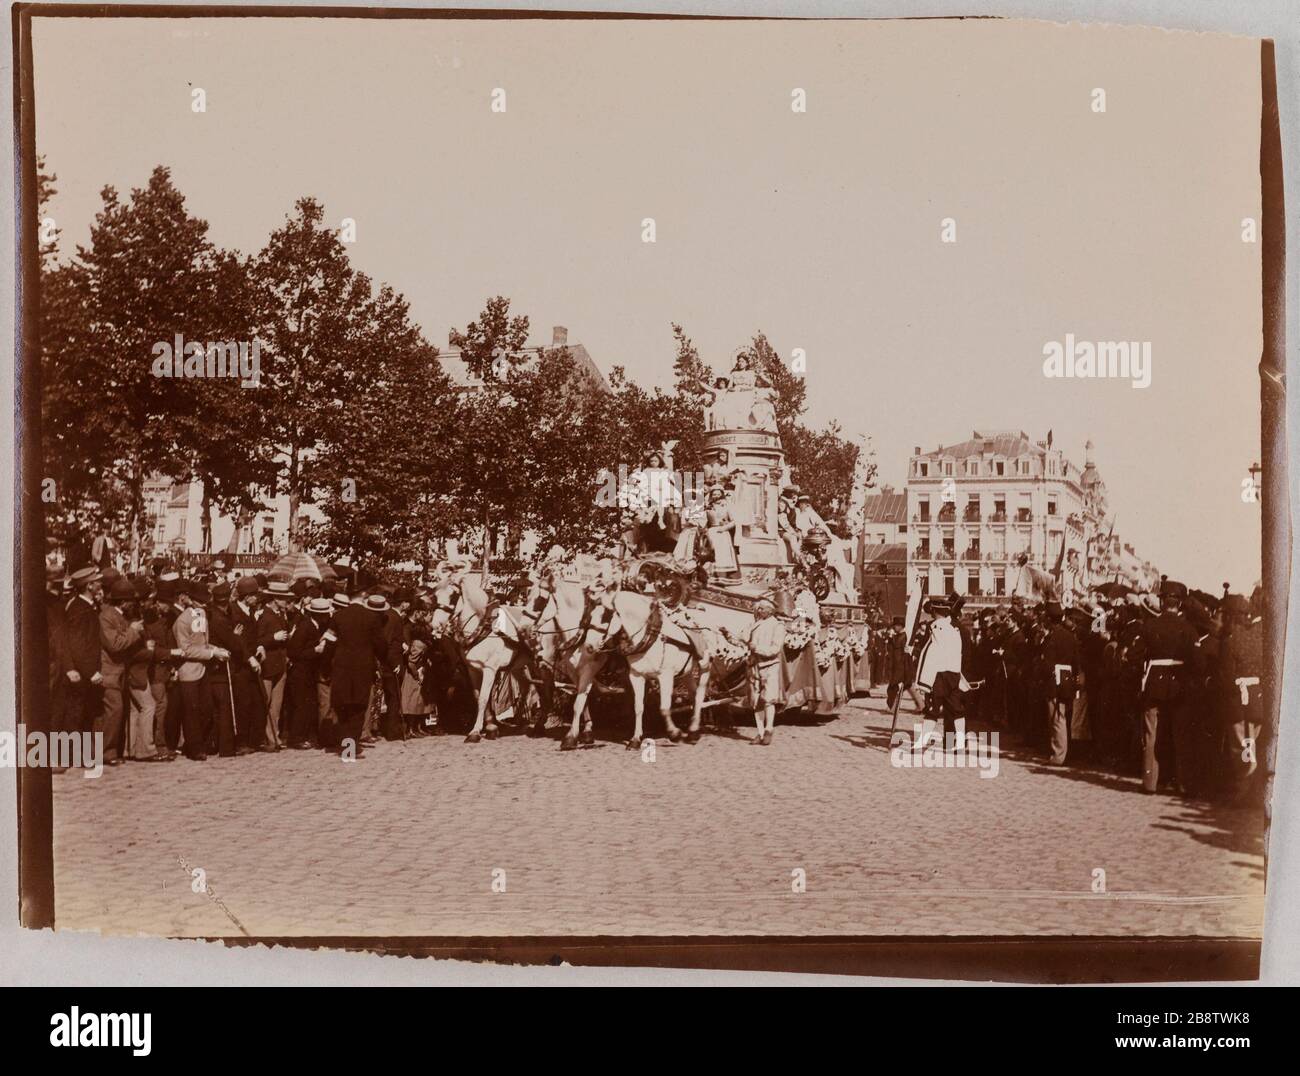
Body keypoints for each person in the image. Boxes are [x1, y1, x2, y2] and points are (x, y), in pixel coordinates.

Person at [330, 588, 385, 758]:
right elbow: (381, 645)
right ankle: (350, 749)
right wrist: (380, 661)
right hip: (362, 669)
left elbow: (329, 642)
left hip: (341, 669)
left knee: (343, 707)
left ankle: (344, 745)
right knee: (358, 708)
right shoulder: (371, 618)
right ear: (364, 598)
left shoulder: (338, 616)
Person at [1040, 601, 1081, 765]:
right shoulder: (1070, 635)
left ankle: (1058, 754)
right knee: (1062, 716)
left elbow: (1046, 662)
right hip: (1067, 678)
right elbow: (1076, 660)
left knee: (1057, 718)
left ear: (1050, 619)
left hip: (1054, 679)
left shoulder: (1051, 637)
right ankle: (1060, 751)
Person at [741, 596, 785, 746]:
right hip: (754, 666)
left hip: (770, 665)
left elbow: (775, 648)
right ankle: (759, 733)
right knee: (756, 700)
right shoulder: (755, 624)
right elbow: (744, 638)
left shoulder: (778, 625)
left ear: (770, 610)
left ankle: (769, 729)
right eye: (759, 608)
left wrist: (757, 648)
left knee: (768, 699)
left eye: (763, 608)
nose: (759, 610)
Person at [257, 579, 293, 750]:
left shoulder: (280, 615)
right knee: (267, 701)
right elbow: (257, 641)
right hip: (268, 666)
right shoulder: (264, 616)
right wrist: (274, 638)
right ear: (275, 598)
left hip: (280, 664)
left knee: (276, 704)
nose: (287, 602)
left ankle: (274, 736)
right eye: (284, 598)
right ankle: (266, 737)